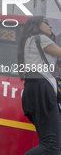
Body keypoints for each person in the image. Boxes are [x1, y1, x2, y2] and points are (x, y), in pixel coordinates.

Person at [17, 16, 61, 154]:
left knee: (49, 144)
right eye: (46, 22)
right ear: (36, 25)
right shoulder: (40, 38)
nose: (50, 26)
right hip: (42, 88)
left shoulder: (28, 41)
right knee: (51, 146)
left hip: (32, 88)